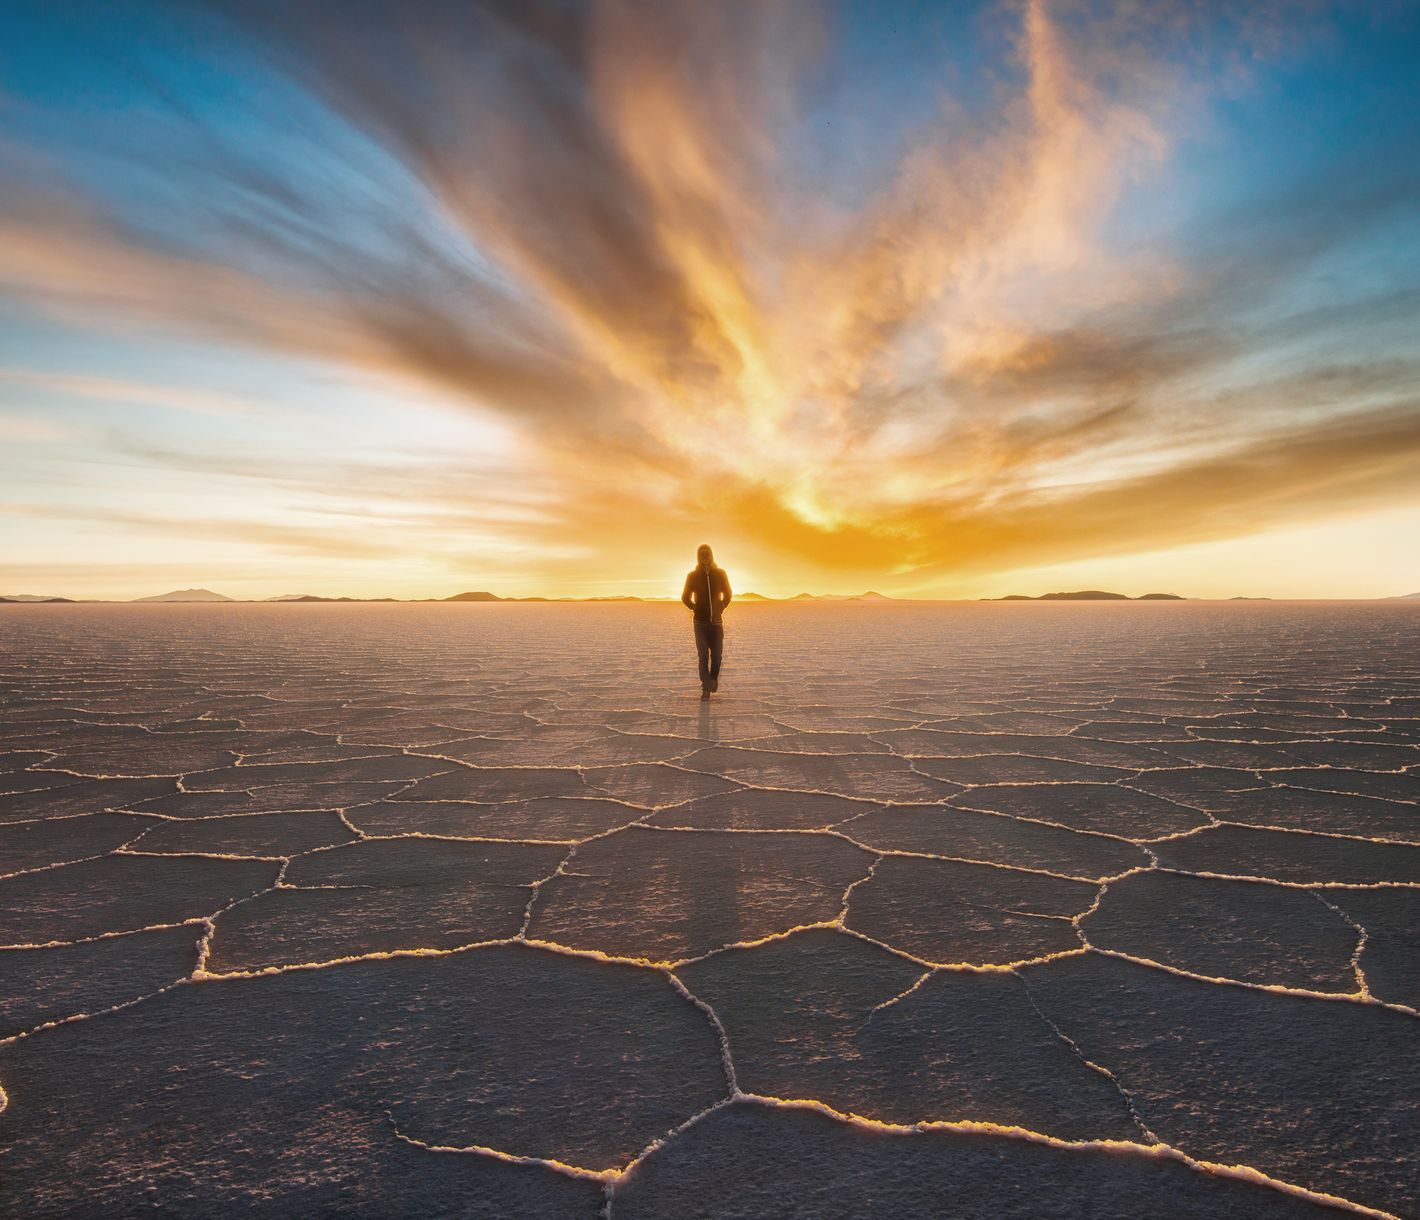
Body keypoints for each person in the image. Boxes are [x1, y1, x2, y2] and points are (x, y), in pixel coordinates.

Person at [681, 544, 732, 698]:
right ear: (698, 556)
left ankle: (713, 679)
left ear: (711, 555)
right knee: (703, 655)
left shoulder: (720, 573)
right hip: (700, 624)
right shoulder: (692, 576)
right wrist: (695, 608)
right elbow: (685, 597)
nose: (704, 556)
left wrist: (721, 607)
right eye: (701, 554)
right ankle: (705, 688)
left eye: (707, 553)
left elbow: (728, 593)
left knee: (717, 656)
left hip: (716, 623)